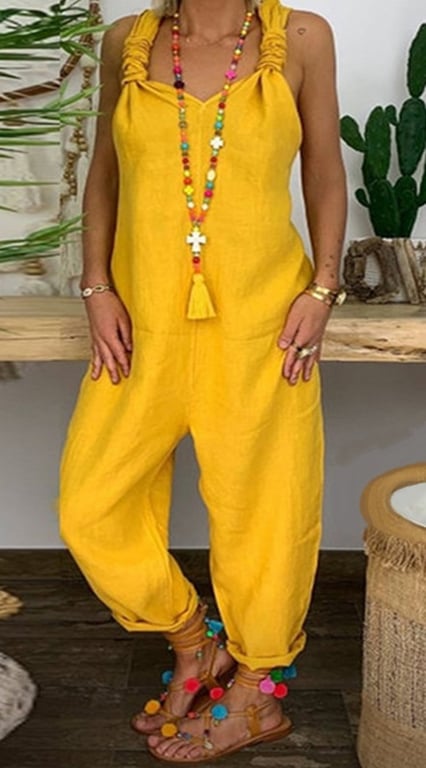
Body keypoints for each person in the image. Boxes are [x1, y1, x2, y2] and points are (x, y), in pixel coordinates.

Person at [58, 0, 347, 762]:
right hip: (143, 326)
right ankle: (194, 640)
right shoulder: (128, 42)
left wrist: (322, 289)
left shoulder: (302, 39)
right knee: (90, 505)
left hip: (261, 326)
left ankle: (256, 694)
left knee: (266, 512)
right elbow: (104, 175)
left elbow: (323, 169)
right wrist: (96, 286)